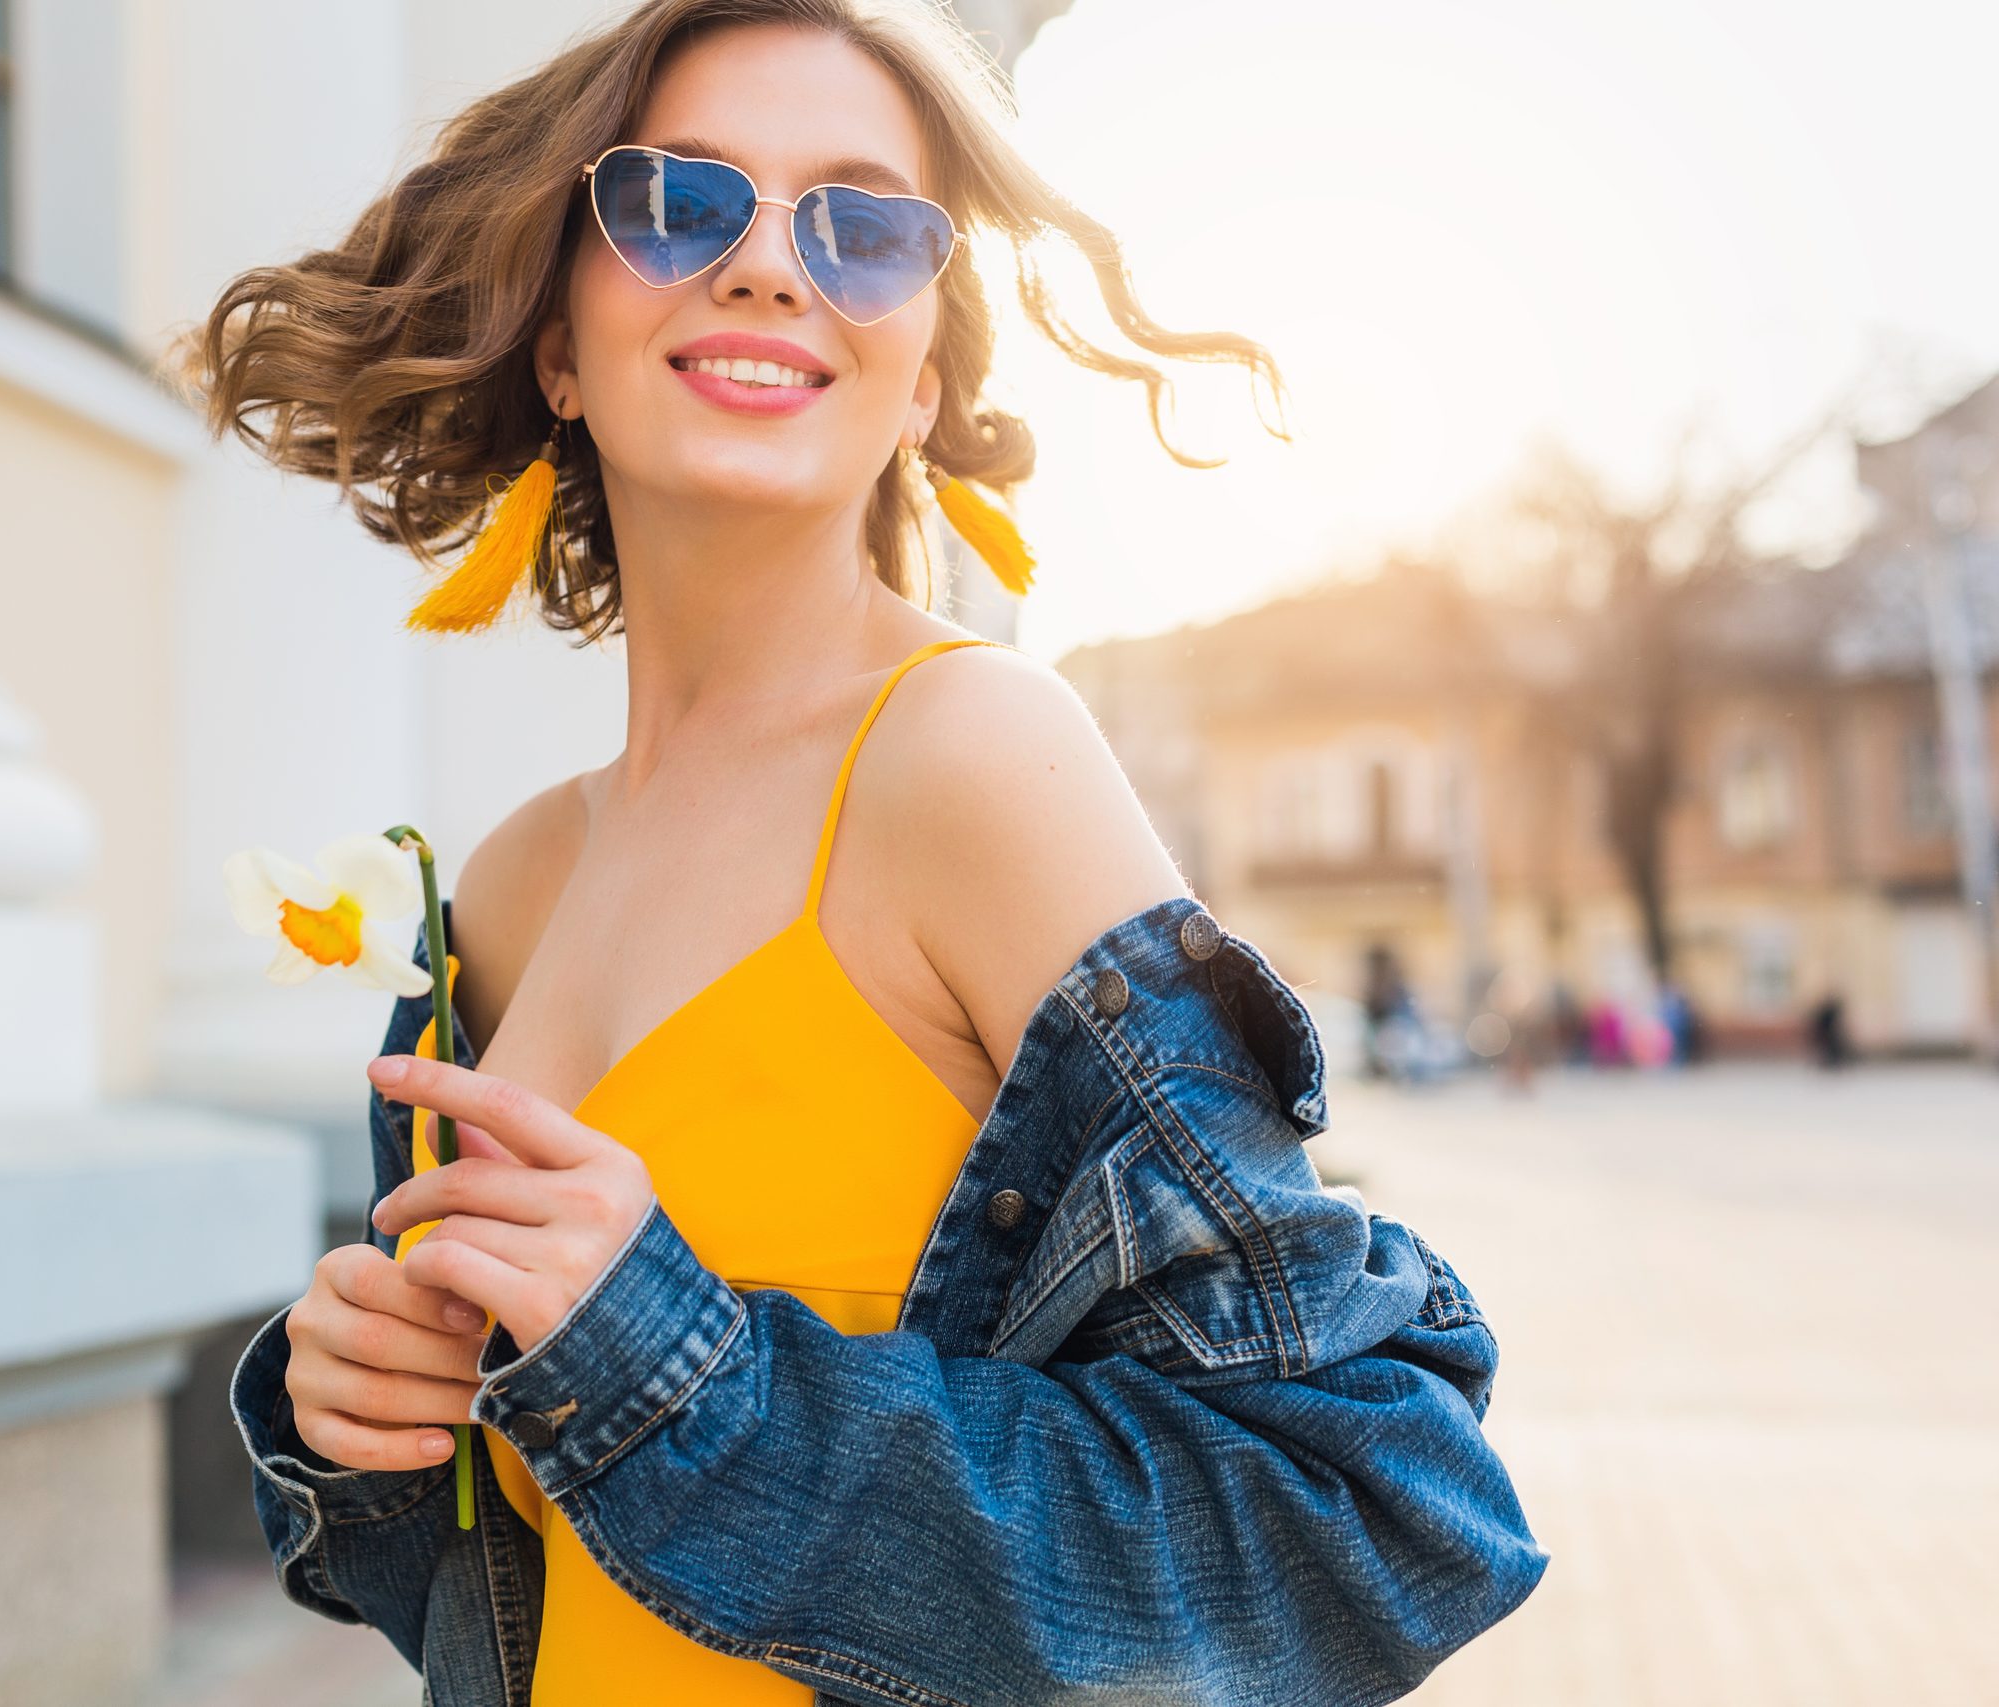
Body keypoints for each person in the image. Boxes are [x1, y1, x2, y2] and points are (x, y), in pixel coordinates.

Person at [183, 3, 1545, 1701]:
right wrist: (362, 1425)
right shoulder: (509, 886)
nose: (767, 267)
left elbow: (1363, 1502)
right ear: (556, 341)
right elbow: (538, 1572)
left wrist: (673, 1374)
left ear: (923, 373)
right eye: (677, 202)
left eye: (865, 222)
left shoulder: (970, 757)